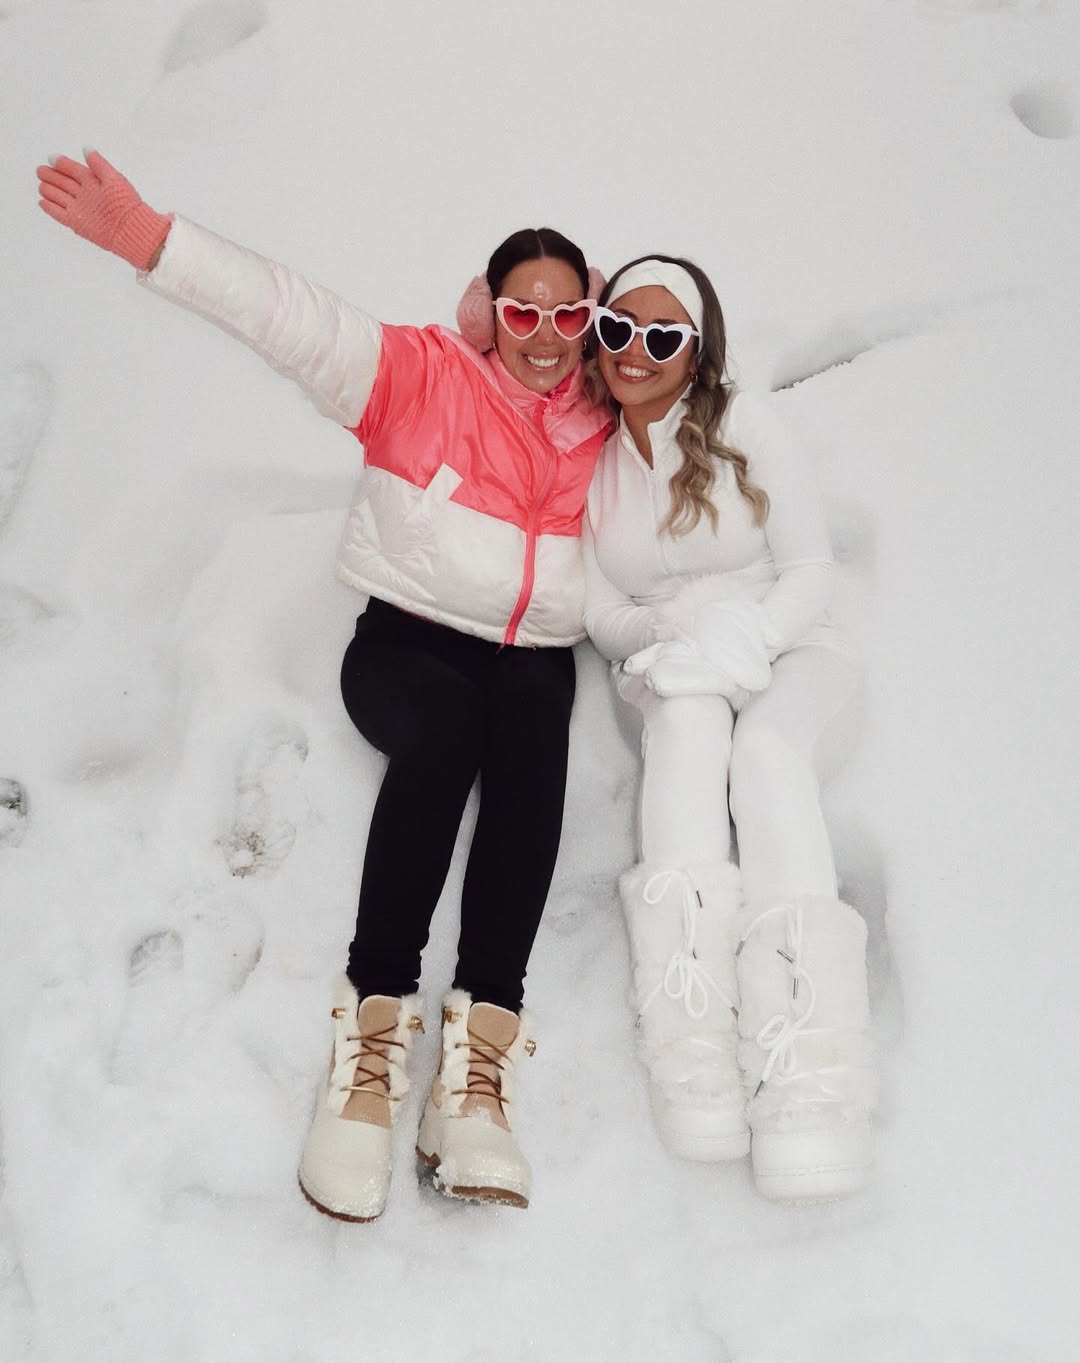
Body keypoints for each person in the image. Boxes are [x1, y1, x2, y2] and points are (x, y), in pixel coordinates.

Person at [36, 151, 611, 1220]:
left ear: (591, 318)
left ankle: (476, 1073)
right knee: (445, 733)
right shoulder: (419, 377)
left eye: (567, 314)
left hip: (531, 658)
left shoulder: (608, 420)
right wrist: (153, 239)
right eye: (522, 312)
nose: (545, 336)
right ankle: (370, 1047)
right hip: (406, 646)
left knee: (536, 739)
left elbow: (697, 429)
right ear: (488, 313)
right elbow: (287, 315)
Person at [582, 255, 876, 1201]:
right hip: (673, 658)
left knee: (767, 751)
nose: (635, 351)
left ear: (697, 350)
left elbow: (811, 570)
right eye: (618, 328)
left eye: (662, 335)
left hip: (792, 643)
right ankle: (692, 1044)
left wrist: (745, 637)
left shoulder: (746, 424)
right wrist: (672, 642)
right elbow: (599, 607)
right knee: (687, 731)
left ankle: (810, 1074)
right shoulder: (592, 461)